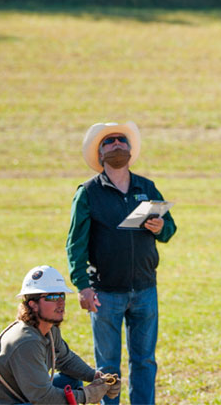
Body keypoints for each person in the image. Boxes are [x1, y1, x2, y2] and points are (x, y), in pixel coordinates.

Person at [66, 121, 177, 405]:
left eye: (121, 139)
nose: (117, 143)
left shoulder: (146, 186)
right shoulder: (88, 192)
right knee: (107, 367)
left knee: (145, 361)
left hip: (145, 289)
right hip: (104, 292)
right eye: (109, 141)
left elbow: (170, 229)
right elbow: (75, 244)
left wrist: (159, 227)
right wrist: (82, 286)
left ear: (130, 149)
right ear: (100, 153)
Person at [0, 265, 121, 404]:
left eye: (62, 295)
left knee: (71, 381)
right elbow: (43, 398)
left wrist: (97, 377)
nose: (61, 302)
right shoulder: (26, 342)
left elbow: (66, 360)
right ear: (33, 305)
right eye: (52, 297)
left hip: (27, 395)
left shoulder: (49, 329)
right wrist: (87, 395)